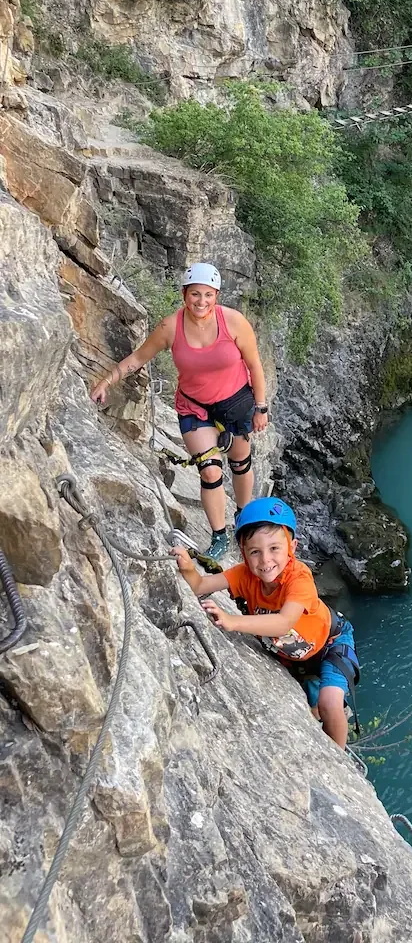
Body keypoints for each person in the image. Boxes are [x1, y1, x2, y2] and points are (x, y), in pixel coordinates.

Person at [90, 261, 269, 561]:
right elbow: (138, 358)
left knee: (240, 463)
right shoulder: (171, 327)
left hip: (236, 403)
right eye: (195, 294)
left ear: (217, 296)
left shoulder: (234, 322)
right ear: (185, 294)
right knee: (210, 471)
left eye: (208, 295)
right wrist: (107, 381)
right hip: (194, 407)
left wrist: (261, 408)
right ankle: (218, 536)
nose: (201, 301)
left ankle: (242, 516)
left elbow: (255, 366)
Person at [171, 497, 359, 748]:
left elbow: (284, 623)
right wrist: (187, 568)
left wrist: (232, 621)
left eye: (274, 549)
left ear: (292, 547)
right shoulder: (244, 575)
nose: (265, 560)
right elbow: (200, 586)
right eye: (255, 552)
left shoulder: (299, 578)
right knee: (314, 707)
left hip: (330, 645)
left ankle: (339, 760)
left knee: (329, 703)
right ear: (244, 553)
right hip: (296, 654)